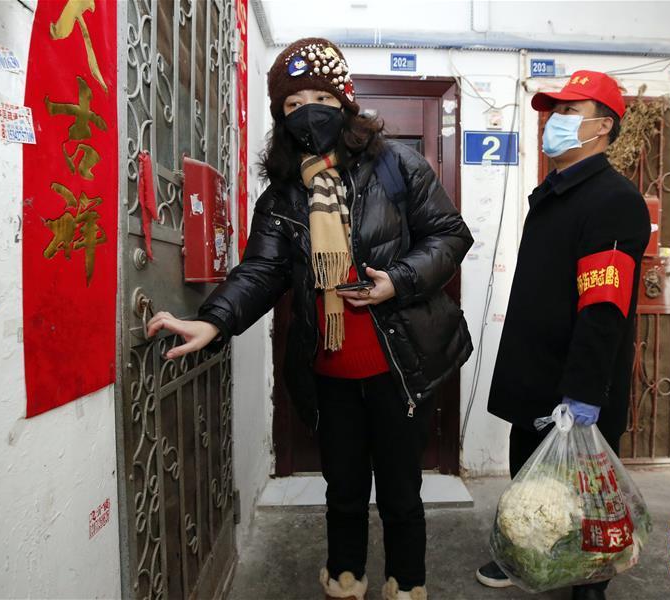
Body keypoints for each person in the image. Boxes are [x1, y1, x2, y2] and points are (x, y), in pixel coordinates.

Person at [147, 38, 473, 600]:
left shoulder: (397, 165)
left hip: (401, 365)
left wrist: (398, 279)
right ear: (281, 116)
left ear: (345, 102)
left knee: (401, 491)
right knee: (343, 490)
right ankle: (346, 578)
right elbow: (262, 270)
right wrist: (215, 320)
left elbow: (450, 235)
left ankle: (407, 583)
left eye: (321, 98)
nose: (309, 112)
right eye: (293, 104)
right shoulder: (282, 196)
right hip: (330, 372)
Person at [475, 71, 651, 600]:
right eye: (555, 111)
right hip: (534, 373)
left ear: (602, 127)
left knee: (585, 495)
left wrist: (583, 392)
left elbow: (603, 307)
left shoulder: (613, 200)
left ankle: (589, 585)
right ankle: (524, 555)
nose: (555, 120)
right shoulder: (555, 192)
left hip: (573, 384)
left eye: (570, 112)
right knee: (533, 481)